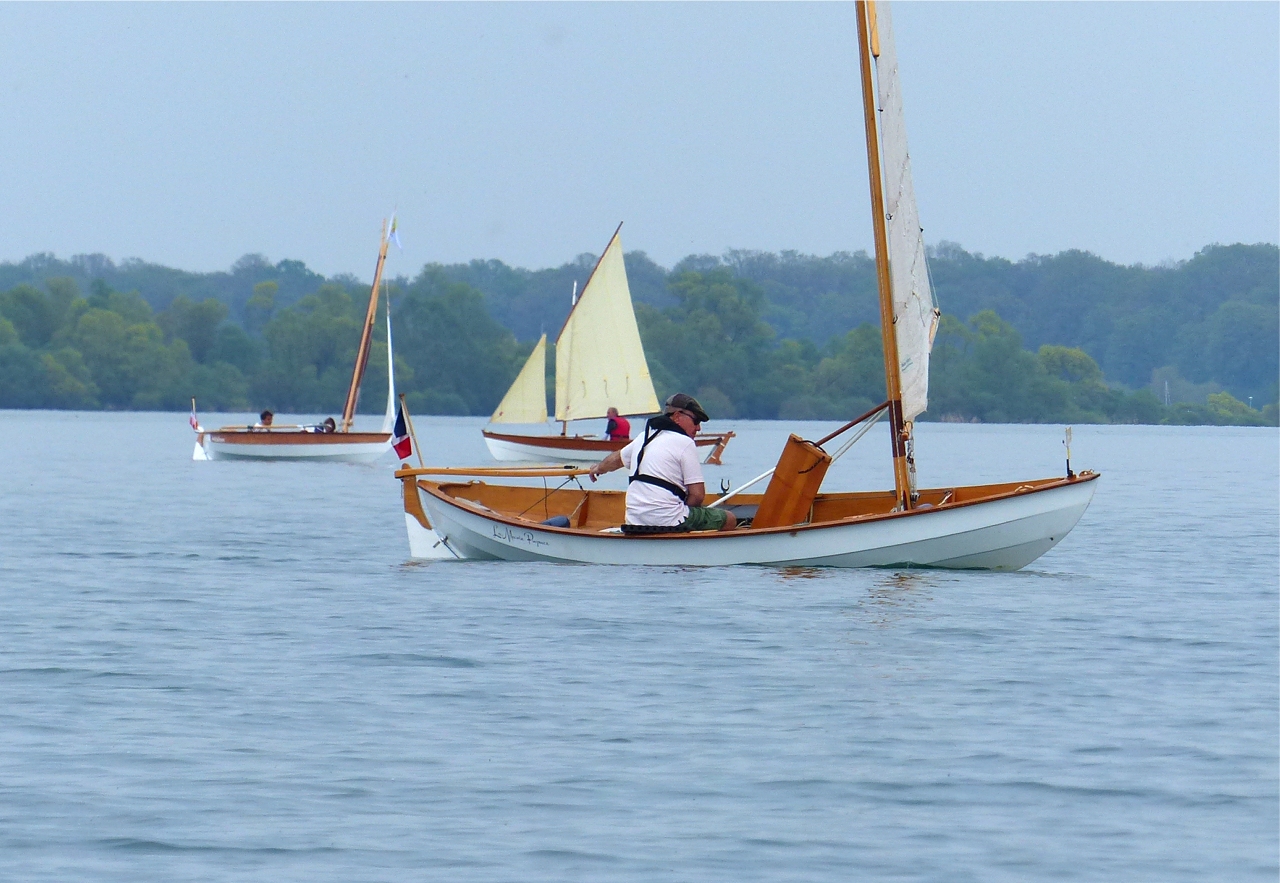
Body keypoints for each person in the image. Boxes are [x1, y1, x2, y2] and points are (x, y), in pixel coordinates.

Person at [589, 393, 736, 532]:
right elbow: (697, 495)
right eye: (696, 421)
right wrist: (685, 512)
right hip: (669, 521)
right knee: (729, 519)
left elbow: (615, 460)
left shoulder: (644, 437)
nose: (698, 428)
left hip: (634, 520)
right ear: (677, 416)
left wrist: (597, 468)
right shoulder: (685, 442)